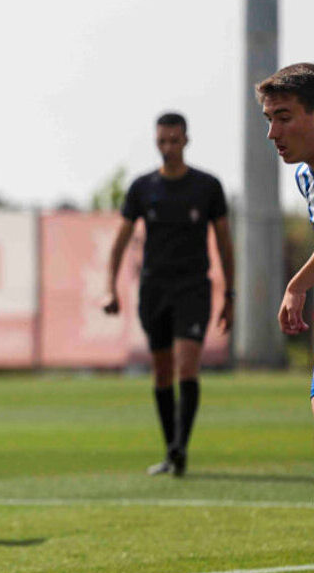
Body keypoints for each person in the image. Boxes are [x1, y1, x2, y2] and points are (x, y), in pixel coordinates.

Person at [104, 112, 234, 477]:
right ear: (155, 141)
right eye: (162, 141)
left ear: (186, 141)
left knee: (187, 363)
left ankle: (181, 446)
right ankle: (170, 451)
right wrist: (109, 287)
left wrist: (231, 294)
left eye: (175, 140)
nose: (168, 148)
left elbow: (224, 243)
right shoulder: (142, 188)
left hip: (193, 286)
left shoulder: (207, 186)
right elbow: (120, 241)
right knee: (161, 372)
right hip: (154, 288)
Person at [261, 65, 314, 403]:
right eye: (269, 119)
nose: (272, 132)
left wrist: (297, 285)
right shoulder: (305, 177)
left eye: (284, 117)